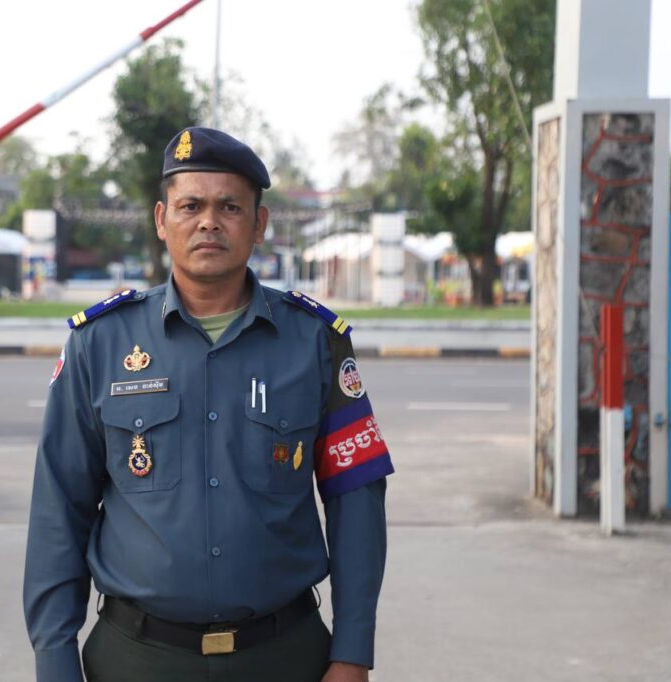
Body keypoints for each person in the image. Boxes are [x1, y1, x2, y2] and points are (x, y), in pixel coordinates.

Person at [24, 127, 394, 682]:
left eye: (230, 207)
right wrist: (55, 661)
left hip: (285, 657)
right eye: (190, 206)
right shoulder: (98, 344)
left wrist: (353, 651)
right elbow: (59, 508)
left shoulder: (315, 342)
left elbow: (356, 499)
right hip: (136, 660)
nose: (208, 222)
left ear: (259, 224)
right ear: (161, 219)